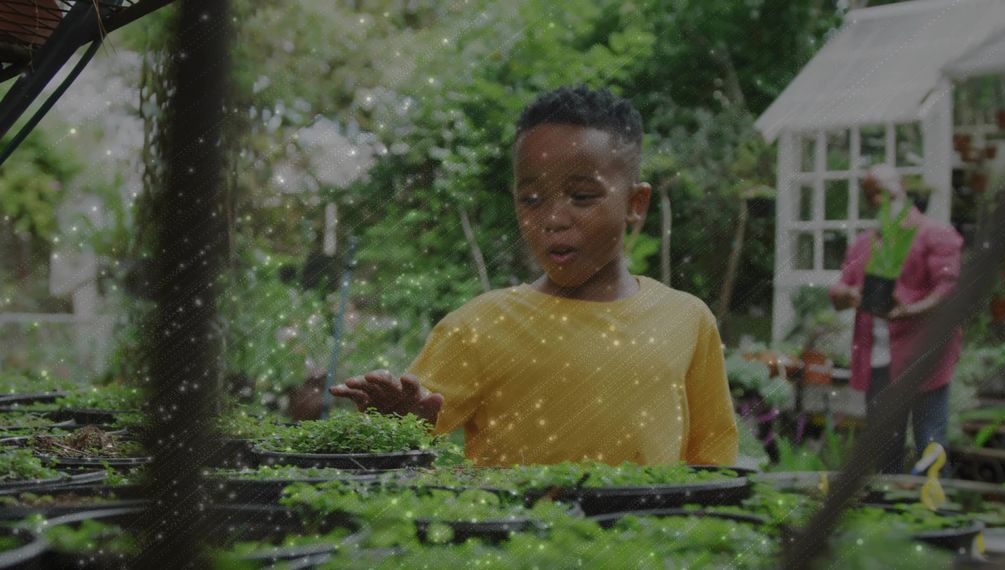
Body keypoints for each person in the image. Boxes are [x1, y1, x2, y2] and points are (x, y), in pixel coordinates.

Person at [331, 85, 737, 467]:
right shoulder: (478, 327)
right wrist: (397, 428)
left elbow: (711, 462)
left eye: (582, 197)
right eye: (532, 199)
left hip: (647, 538)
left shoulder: (688, 320)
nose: (553, 219)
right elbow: (402, 452)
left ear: (635, 203)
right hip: (511, 539)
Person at [828, 164, 964, 474]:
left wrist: (909, 310)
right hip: (878, 361)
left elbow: (948, 288)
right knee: (883, 451)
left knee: (930, 447)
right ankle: (888, 515)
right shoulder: (865, 243)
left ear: (901, 188)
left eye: (886, 190)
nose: (880, 199)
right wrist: (849, 294)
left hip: (924, 359)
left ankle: (931, 516)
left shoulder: (935, 234)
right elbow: (839, 289)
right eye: (872, 194)